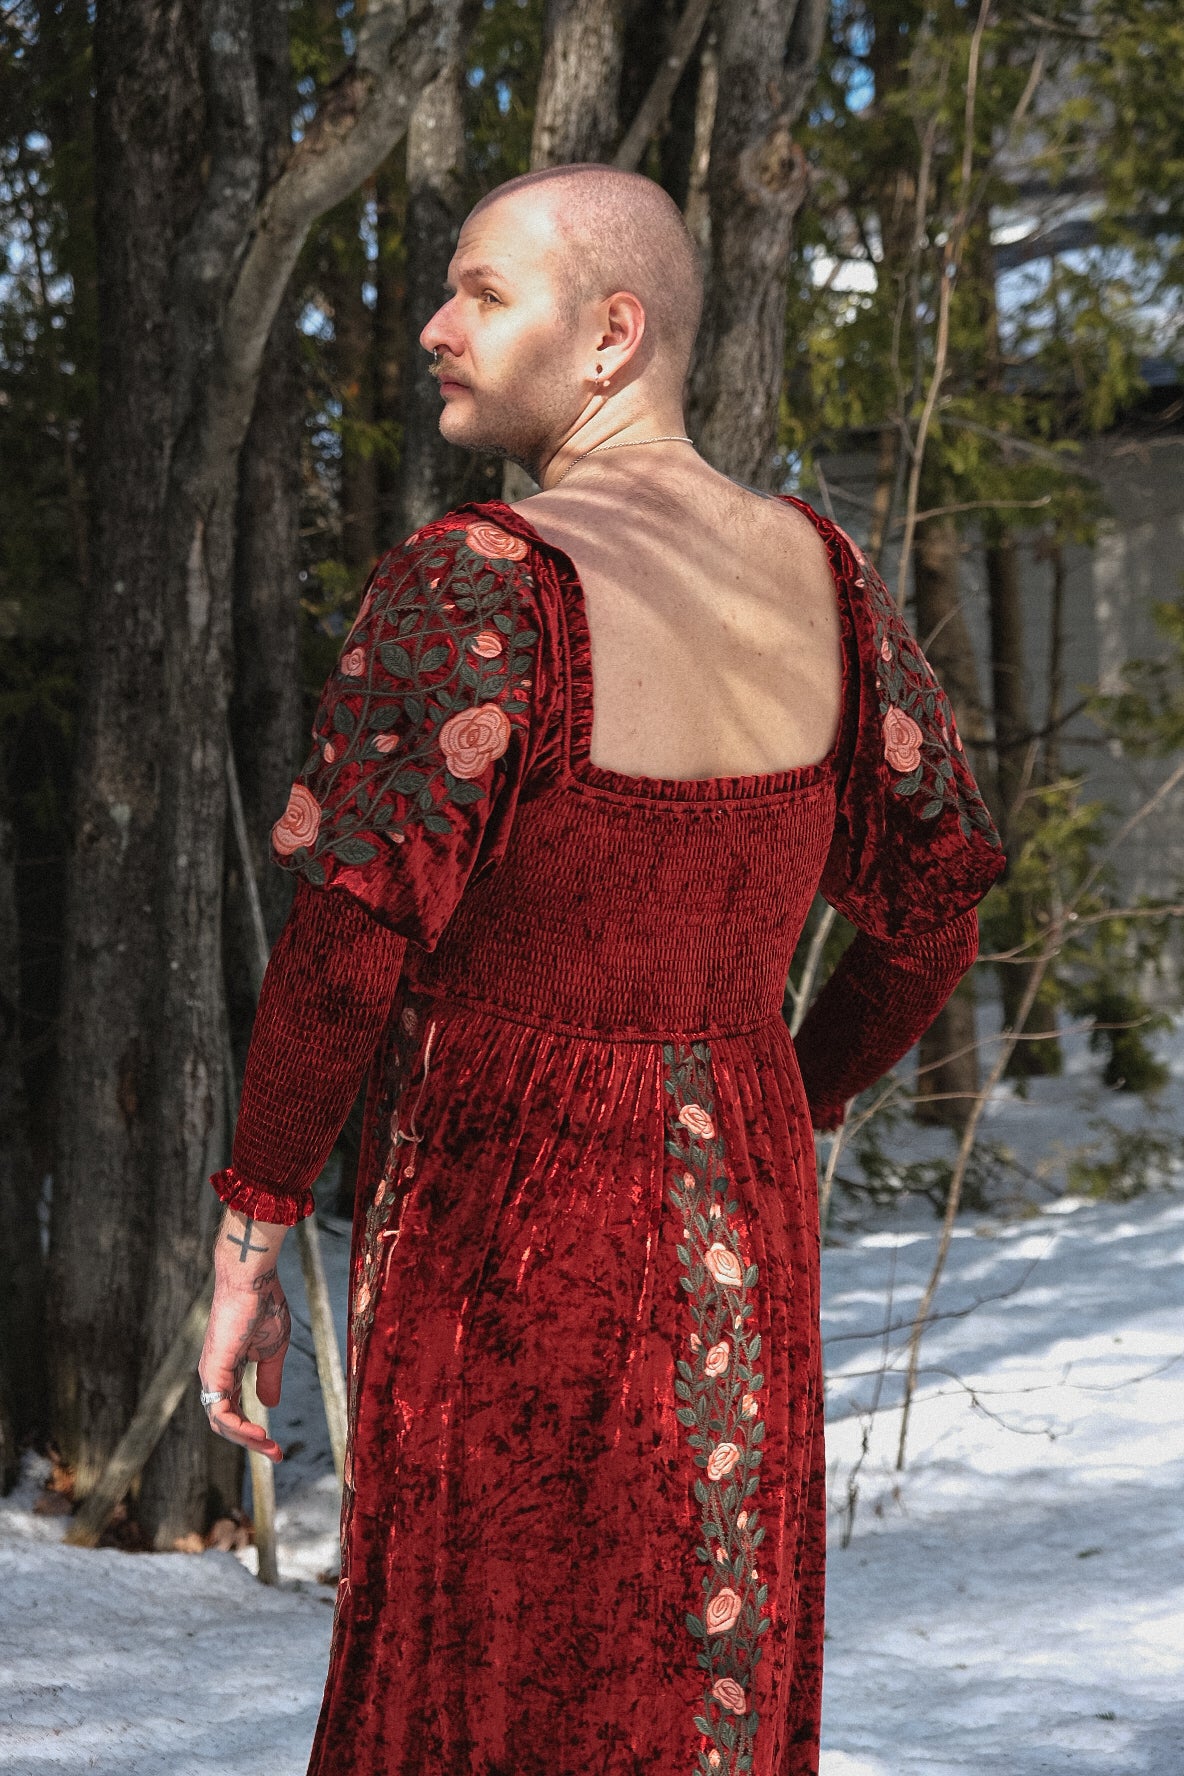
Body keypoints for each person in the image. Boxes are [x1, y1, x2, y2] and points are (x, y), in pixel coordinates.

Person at [197, 163, 1005, 1776]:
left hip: (508, 1208)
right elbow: (937, 916)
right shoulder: (827, 578)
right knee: (703, 1654)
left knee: (493, 1672)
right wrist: (797, 1094)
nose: (436, 328)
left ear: (612, 335)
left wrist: (250, 1235)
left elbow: (348, 951)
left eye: (483, 294)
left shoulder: (477, 583)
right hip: (740, 1208)